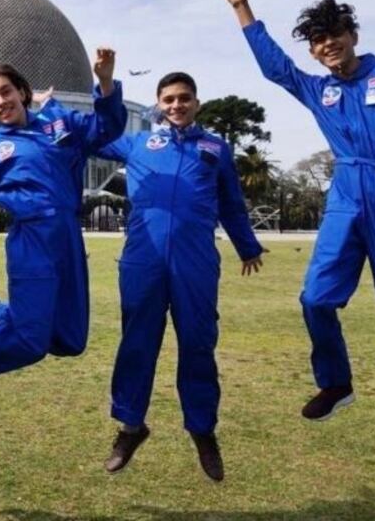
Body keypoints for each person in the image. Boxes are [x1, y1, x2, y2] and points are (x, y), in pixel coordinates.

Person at [215, 0, 375, 419]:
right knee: (316, 298)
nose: (327, 45)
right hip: (345, 195)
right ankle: (336, 382)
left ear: (352, 34)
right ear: (315, 53)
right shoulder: (320, 91)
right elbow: (276, 68)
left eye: (334, 33)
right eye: (318, 41)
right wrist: (243, 10)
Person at [93, 71, 264, 482]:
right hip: (142, 258)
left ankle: (203, 430)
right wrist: (94, 92)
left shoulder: (215, 148)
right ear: (158, 103)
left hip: (195, 261)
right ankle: (131, 427)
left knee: (198, 343)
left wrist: (247, 245)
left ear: (196, 102)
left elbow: (231, 202)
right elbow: (98, 131)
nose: (176, 105)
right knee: (137, 343)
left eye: (183, 98)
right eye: (168, 99)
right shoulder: (137, 143)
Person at [0, 51, 127, 387]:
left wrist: (106, 82)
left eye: (5, 92)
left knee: (70, 339)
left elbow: (107, 127)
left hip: (67, 236)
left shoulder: (62, 123)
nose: (0, 102)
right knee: (30, 341)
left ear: (22, 92)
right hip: (32, 241)